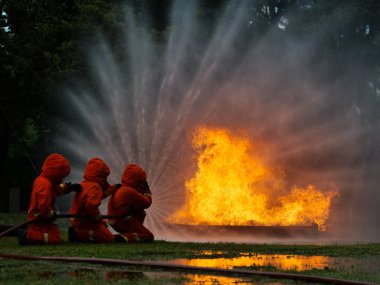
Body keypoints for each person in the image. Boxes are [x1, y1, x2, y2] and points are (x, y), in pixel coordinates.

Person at [19, 153, 81, 245]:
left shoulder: (46, 181)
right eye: (62, 176)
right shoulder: (45, 185)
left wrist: (69, 187)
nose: (62, 179)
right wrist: (52, 214)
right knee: (54, 239)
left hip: (43, 220)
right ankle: (27, 235)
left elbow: (56, 189)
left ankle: (30, 233)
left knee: (56, 233)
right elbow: (43, 207)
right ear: (56, 173)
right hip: (37, 221)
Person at [69, 157, 121, 243]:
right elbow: (90, 205)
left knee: (106, 233)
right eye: (104, 176)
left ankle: (77, 232)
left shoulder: (85, 184)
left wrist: (113, 188)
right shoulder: (96, 187)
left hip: (77, 220)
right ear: (100, 175)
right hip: (85, 222)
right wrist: (99, 219)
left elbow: (99, 196)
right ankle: (77, 234)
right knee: (109, 238)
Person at [107, 163, 154, 242]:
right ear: (137, 180)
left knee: (141, 212)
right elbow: (146, 203)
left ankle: (126, 235)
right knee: (148, 235)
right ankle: (122, 238)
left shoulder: (122, 188)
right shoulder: (129, 191)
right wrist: (147, 192)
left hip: (115, 220)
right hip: (121, 221)